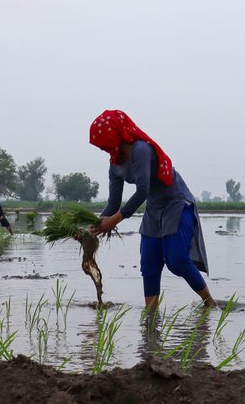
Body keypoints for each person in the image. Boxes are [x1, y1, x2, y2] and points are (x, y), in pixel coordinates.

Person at [89, 109, 216, 310]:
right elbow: (113, 204)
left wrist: (113, 221)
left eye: (104, 142)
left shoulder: (141, 149)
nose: (103, 148)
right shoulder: (115, 164)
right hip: (154, 207)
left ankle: (210, 303)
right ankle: (151, 317)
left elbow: (142, 191)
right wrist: (93, 227)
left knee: (177, 261)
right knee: (149, 263)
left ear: (116, 135)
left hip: (176, 203)